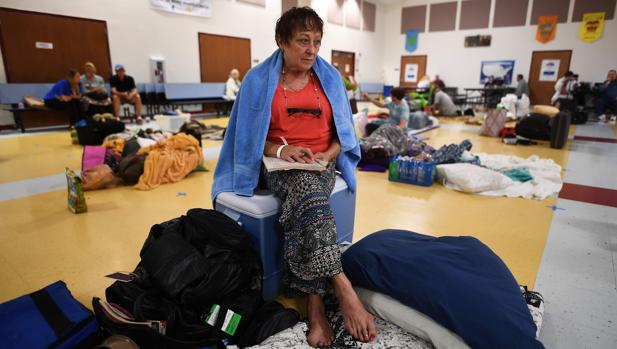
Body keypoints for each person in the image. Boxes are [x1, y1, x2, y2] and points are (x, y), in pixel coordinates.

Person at [211, 7, 376, 348]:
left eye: (316, 41)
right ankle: (339, 282)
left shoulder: (328, 79)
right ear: (281, 41)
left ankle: (315, 306)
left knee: (308, 190)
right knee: (303, 185)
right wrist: (283, 152)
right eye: (303, 41)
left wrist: (324, 157)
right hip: (277, 164)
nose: (311, 50)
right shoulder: (258, 81)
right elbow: (248, 138)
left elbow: (342, 137)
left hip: (321, 163)